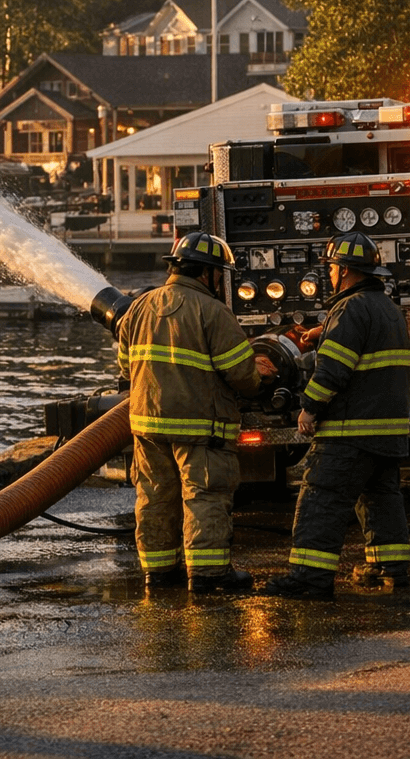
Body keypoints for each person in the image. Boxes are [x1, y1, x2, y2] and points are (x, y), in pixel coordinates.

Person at [117, 232, 277, 594]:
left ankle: (158, 573)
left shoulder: (139, 307)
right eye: (220, 274)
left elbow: (127, 369)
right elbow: (241, 376)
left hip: (147, 425)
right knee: (204, 495)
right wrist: (259, 373)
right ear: (208, 274)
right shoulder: (213, 312)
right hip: (200, 427)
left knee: (155, 497)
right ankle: (208, 576)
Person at [261, 231, 410, 600]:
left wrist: (309, 409)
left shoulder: (349, 309)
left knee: (321, 497)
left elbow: (334, 370)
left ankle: (309, 577)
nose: (329, 274)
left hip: (349, 430)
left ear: (344, 271)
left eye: (331, 267)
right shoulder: (388, 308)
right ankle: (388, 569)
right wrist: (323, 332)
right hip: (386, 431)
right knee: (381, 498)